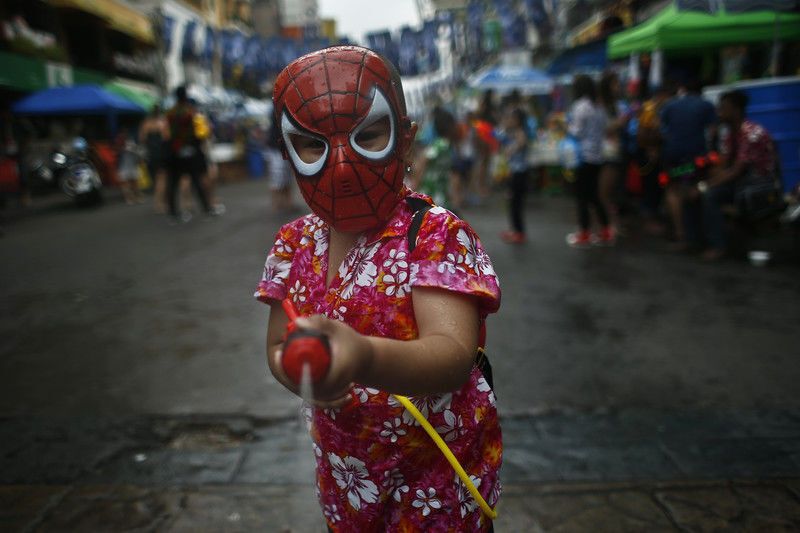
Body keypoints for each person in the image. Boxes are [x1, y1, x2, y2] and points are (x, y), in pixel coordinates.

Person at [255, 46, 502, 532]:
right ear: (288, 153)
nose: (343, 166)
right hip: (347, 482)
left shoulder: (433, 235)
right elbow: (278, 344)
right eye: (311, 145)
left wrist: (363, 356)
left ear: (405, 139)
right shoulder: (294, 243)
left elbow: (452, 353)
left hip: (437, 489)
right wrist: (304, 373)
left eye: (369, 134)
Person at [695, 90, 776, 261]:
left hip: (758, 187)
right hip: (742, 184)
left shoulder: (751, 133)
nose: (719, 113)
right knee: (696, 189)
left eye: (723, 108)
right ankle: (699, 240)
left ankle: (718, 246)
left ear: (736, 110)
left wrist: (705, 186)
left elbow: (736, 170)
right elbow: (723, 165)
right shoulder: (730, 134)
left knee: (709, 195)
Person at [658, 79, 716, 249]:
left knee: (672, 189)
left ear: (682, 89)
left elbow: (662, 130)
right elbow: (713, 131)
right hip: (695, 159)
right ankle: (695, 234)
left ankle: (681, 233)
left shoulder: (670, 105)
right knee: (692, 188)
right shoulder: (706, 105)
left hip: (672, 156)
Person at [566, 75, 612, 247]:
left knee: (582, 197)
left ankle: (584, 233)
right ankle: (606, 230)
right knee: (594, 195)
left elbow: (576, 132)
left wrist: (567, 126)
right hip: (597, 157)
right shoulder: (599, 106)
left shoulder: (581, 106)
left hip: (583, 156)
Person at [165, 86, 213, 223]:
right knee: (196, 180)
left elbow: (169, 134)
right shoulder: (190, 112)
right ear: (185, 96)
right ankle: (206, 208)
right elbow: (199, 133)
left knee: (174, 183)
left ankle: (173, 212)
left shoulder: (170, 113)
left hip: (175, 152)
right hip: (190, 151)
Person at [598, 70, 632, 231]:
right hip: (604, 153)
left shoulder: (618, 105)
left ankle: (611, 224)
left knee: (607, 192)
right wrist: (620, 123)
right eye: (615, 84)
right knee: (603, 192)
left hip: (613, 153)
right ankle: (610, 224)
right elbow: (603, 129)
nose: (618, 87)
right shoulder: (600, 106)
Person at [411, 106, 458, 210]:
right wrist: (415, 186)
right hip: (433, 192)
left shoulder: (445, 145)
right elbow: (423, 161)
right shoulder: (442, 145)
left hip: (438, 192)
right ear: (449, 126)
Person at [498, 108, 531, 244]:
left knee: (515, 203)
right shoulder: (513, 132)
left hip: (519, 173)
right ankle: (515, 230)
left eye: (511, 118)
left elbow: (522, 143)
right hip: (515, 172)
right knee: (512, 202)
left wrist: (511, 150)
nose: (509, 120)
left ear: (517, 120)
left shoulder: (520, 132)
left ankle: (519, 232)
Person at [138, 105, 170, 213]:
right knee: (162, 179)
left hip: (150, 155)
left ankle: (160, 203)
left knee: (155, 179)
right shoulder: (162, 123)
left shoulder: (146, 123)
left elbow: (142, 139)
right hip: (161, 154)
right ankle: (160, 204)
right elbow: (166, 137)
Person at [265, 119, 294, 212]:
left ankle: (287, 203)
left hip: (285, 146)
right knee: (278, 176)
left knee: (287, 177)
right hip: (276, 147)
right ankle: (276, 204)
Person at [116, 129, 143, 205]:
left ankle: (137, 197)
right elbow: (117, 152)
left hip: (132, 165)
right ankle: (129, 198)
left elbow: (138, 152)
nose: (124, 135)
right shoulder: (119, 142)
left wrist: (133, 150)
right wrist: (123, 149)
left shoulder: (131, 141)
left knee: (135, 183)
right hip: (123, 166)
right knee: (126, 184)